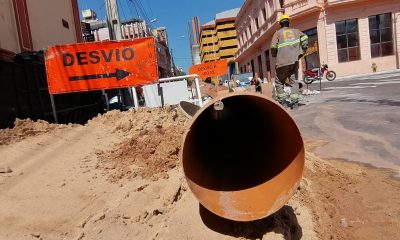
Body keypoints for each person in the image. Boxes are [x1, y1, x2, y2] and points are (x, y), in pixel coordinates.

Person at [270, 14, 308, 106]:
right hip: (294, 61)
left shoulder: (278, 33)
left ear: (280, 24)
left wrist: (274, 54)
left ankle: (282, 103)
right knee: (294, 81)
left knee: (279, 82)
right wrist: (303, 51)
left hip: (282, 62)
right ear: (289, 22)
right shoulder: (297, 31)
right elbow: (305, 38)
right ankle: (295, 103)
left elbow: (273, 47)